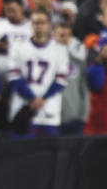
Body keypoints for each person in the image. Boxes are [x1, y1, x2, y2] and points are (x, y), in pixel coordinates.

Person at [7, 9, 70, 137]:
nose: (39, 26)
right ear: (30, 24)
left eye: (42, 22)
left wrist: (43, 98)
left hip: (48, 110)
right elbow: (13, 77)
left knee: (49, 154)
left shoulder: (60, 49)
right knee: (20, 153)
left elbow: (61, 80)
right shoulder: (17, 47)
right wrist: (32, 98)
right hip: (23, 108)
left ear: (49, 25)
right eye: (36, 22)